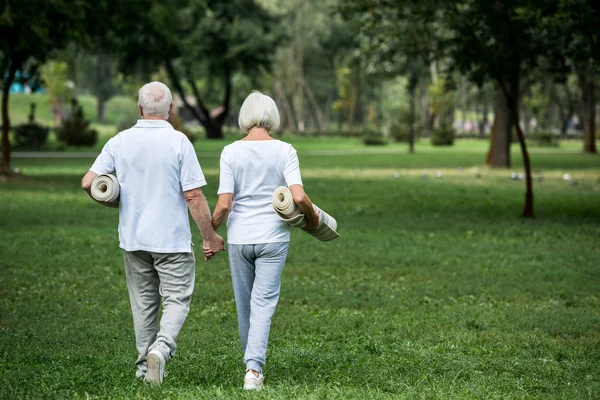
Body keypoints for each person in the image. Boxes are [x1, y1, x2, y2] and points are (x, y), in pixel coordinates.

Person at [81, 81, 224, 385]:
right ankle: (160, 349)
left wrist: (114, 201)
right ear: (171, 109)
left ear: (139, 108)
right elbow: (194, 196)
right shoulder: (179, 142)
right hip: (171, 240)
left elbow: (88, 182)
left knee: (143, 303)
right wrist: (210, 236)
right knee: (176, 299)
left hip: (133, 239)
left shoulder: (119, 141)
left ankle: (144, 368)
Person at [206, 91, 319, 391]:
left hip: (240, 238)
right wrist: (312, 219)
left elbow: (224, 205)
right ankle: (253, 370)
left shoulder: (230, 151)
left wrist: (210, 233)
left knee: (246, 305)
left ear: (245, 116)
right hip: (273, 237)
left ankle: (251, 367)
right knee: (263, 303)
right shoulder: (285, 150)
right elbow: (298, 196)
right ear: (272, 115)